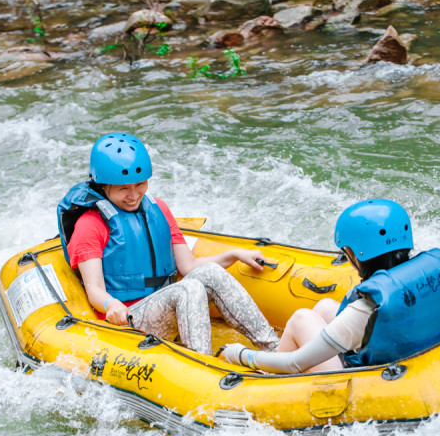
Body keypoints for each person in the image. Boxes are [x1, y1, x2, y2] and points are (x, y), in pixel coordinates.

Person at [57, 132, 280, 355]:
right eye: (123, 188)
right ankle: (200, 366)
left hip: (165, 305)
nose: (134, 195)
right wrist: (111, 305)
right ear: (103, 185)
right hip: (128, 321)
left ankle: (274, 348)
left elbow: (188, 266)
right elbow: (95, 290)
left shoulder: (159, 209)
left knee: (209, 273)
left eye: (140, 184)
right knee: (188, 288)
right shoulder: (89, 225)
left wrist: (234, 254)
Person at [219, 199, 440, 373]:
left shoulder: (366, 308)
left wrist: (240, 354)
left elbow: (294, 363)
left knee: (302, 318)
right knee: (324, 306)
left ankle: (269, 380)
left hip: (363, 377)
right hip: (405, 352)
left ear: (357, 254)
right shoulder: (428, 274)